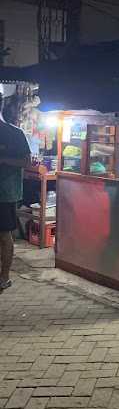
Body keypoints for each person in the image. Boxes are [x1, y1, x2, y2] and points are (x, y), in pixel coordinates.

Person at [0, 93, 31, 290]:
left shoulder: (14, 133)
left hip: (5, 193)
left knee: (3, 235)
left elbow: (26, 162)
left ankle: (4, 277)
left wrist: (3, 160)